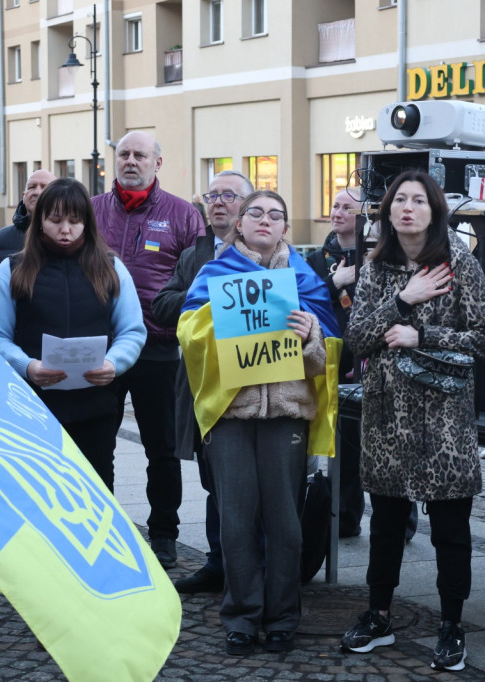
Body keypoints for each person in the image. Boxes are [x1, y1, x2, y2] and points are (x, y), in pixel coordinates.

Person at [340, 170, 485, 671]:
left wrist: (422, 337)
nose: (408, 208)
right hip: (387, 416)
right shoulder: (375, 268)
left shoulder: (461, 265)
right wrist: (403, 301)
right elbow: (357, 339)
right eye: (399, 200)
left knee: (451, 528)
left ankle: (452, 625)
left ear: (434, 211)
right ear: (387, 213)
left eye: (418, 200)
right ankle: (379, 614)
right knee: (385, 524)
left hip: (444, 419)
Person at [178, 190, 340, 656]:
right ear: (240, 224)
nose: (265, 221)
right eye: (256, 213)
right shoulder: (215, 274)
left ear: (285, 227)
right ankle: (242, 616)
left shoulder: (305, 279)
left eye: (276, 215)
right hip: (230, 413)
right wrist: (219, 321)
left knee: (286, 522)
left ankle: (283, 616)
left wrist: (311, 335)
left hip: (286, 414)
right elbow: (188, 338)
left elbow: (329, 352)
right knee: (235, 521)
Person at [92, 131, 207, 568]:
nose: (131, 161)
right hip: (102, 352)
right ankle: (99, 531)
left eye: (141, 154)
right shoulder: (93, 210)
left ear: (157, 163)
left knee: (162, 451)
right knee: (97, 446)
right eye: (124, 154)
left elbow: (195, 285)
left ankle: (164, 535)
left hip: (159, 351)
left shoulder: (183, 215)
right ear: (114, 161)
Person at [0, 177, 146, 492]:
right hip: (34, 408)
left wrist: (114, 364)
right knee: (38, 496)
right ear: (40, 220)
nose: (65, 230)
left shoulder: (111, 268)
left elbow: (132, 330)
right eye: (56, 220)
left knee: (96, 494)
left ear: (87, 223)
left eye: (75, 221)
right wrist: (27, 366)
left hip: (96, 408)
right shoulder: (12, 269)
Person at [152, 169, 254, 594]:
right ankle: (218, 562)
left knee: (253, 485)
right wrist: (201, 293)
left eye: (229, 195)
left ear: (247, 207)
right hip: (204, 386)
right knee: (214, 481)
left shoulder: (265, 251)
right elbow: (162, 305)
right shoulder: (195, 255)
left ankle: (250, 568)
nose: (218, 202)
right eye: (212, 195)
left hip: (253, 384)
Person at [307, 188, 365, 537]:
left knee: (370, 441)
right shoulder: (317, 258)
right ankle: (344, 517)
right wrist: (336, 282)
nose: (338, 212)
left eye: (348, 207)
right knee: (342, 441)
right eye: (335, 205)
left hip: (367, 360)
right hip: (329, 358)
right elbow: (307, 301)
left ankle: (402, 520)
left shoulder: (377, 257)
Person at [0, 169, 56, 293]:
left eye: (45, 187)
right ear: (24, 195)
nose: (37, 192)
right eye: (32, 187)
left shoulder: (69, 238)